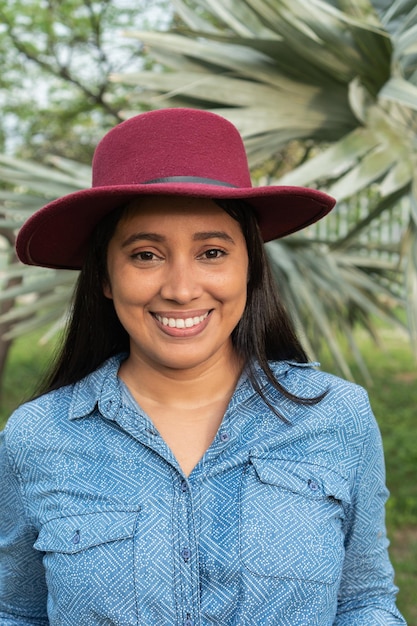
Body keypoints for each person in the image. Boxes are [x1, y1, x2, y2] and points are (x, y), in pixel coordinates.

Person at [0, 108, 406, 625]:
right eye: (146, 255)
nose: (182, 288)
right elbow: (17, 612)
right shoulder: (37, 437)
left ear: (250, 268)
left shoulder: (336, 417)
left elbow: (363, 602)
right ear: (105, 277)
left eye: (212, 252)